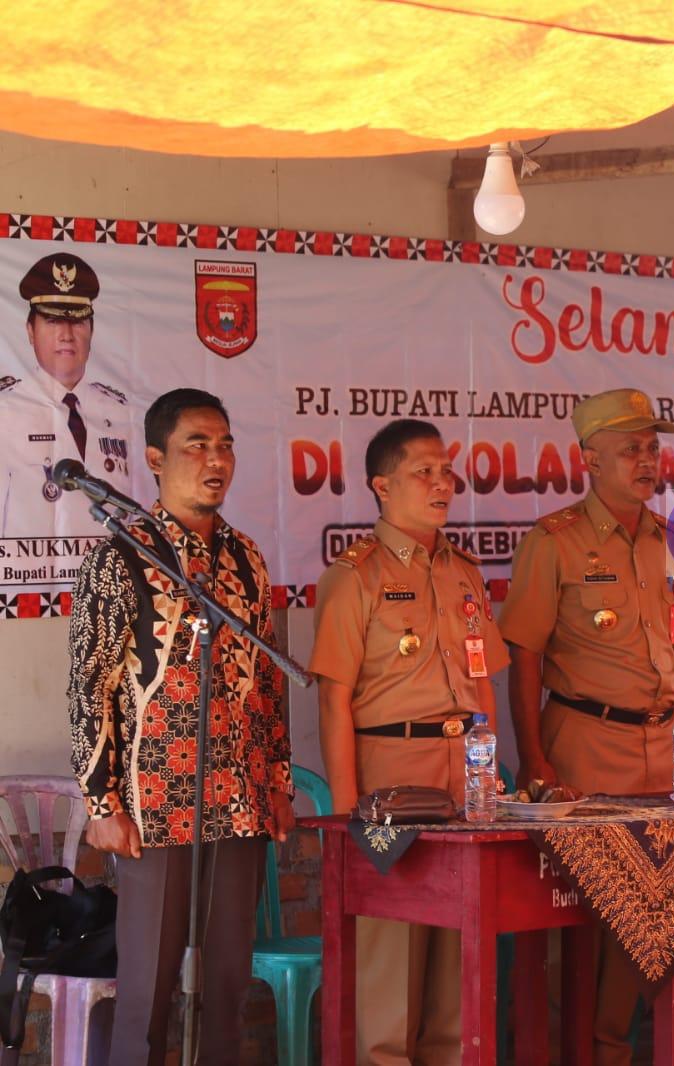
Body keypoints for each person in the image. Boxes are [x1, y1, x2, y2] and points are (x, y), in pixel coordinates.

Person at [67, 388, 293, 1066]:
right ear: (156, 459)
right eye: (197, 444)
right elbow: (90, 688)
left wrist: (277, 781)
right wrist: (102, 803)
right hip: (153, 808)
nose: (216, 458)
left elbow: (269, 682)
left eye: (224, 443)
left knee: (228, 989)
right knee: (148, 993)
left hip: (239, 802)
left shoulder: (246, 559)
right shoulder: (122, 557)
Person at [498, 387, 674, 1066]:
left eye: (652, 447)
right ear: (589, 460)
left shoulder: (668, 539)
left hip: (660, 749)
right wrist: (532, 760)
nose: (647, 461)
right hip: (584, 745)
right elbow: (523, 657)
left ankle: (611, 1050)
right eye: (630, 450)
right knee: (576, 920)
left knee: (651, 916)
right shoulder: (554, 542)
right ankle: (564, 1051)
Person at [309, 418, 510, 1065]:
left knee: (458, 959)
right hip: (389, 778)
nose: (440, 483)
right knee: (392, 959)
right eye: (422, 471)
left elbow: (482, 684)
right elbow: (333, 699)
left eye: (445, 470)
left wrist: (488, 773)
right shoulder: (355, 575)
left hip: (461, 776)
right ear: (381, 485)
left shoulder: (463, 571)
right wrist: (345, 814)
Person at [2, 251, 133, 538]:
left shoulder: (121, 412)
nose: (66, 334)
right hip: (28, 578)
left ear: (91, 331)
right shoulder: (5, 410)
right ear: (30, 332)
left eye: (77, 322)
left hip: (110, 577)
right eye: (51, 321)